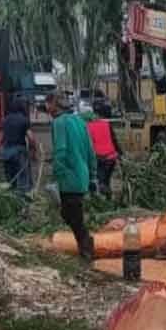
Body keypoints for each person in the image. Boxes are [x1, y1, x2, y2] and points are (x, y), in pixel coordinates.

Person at [46, 92, 96, 261]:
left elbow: (60, 150)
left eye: (48, 103)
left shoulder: (59, 123)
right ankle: (86, 246)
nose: (47, 108)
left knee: (72, 216)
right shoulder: (80, 122)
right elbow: (90, 151)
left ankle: (87, 248)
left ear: (55, 104)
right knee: (72, 214)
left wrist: (56, 176)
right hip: (82, 176)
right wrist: (93, 175)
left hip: (69, 178)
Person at [0, 97, 36, 196]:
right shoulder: (24, 120)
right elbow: (31, 138)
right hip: (19, 151)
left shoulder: (4, 120)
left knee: (10, 180)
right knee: (23, 178)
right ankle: (23, 202)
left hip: (6, 151)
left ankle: (11, 201)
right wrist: (33, 150)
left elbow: (1, 137)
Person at [82, 110, 122, 198]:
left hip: (100, 158)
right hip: (112, 157)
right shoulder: (106, 124)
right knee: (106, 181)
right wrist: (120, 154)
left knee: (99, 182)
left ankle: (99, 199)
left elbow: (87, 145)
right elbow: (114, 139)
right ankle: (109, 199)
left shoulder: (87, 127)